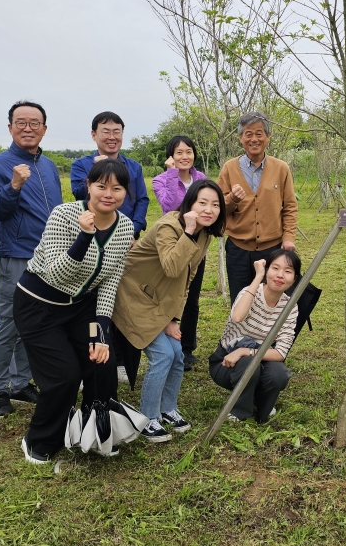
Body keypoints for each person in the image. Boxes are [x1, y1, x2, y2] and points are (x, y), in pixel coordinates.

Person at [13, 159, 135, 464]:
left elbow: (110, 282)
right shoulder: (65, 215)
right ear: (88, 187)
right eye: (101, 186)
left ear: (126, 193)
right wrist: (84, 237)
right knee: (64, 375)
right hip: (38, 306)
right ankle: (39, 439)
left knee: (101, 363)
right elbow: (56, 274)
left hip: (81, 308)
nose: (109, 193)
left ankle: (94, 430)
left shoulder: (125, 227)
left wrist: (101, 334)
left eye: (117, 188)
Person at [112, 179, 225, 443]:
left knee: (177, 353)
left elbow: (186, 278)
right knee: (163, 355)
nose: (209, 209)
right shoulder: (169, 226)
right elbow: (173, 267)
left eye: (216, 205)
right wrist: (188, 232)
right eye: (203, 203)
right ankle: (148, 418)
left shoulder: (205, 234)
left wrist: (173, 318)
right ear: (190, 204)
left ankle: (167, 409)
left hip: (159, 299)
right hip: (132, 294)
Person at [0, 101, 63, 417]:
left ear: (44, 128)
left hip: (48, 256)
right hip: (15, 253)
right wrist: (14, 185)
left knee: (36, 321)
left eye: (34, 123)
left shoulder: (49, 165)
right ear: (10, 127)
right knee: (8, 321)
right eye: (20, 122)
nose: (27, 128)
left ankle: (20, 383)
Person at [209, 250, 300, 422]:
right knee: (249, 365)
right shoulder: (250, 292)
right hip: (226, 361)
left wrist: (245, 351)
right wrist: (258, 277)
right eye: (275, 268)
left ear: (294, 279)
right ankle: (239, 411)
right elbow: (238, 317)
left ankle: (262, 406)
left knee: (279, 374)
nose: (280, 275)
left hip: (256, 358)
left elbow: (280, 353)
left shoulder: (290, 308)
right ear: (267, 271)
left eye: (288, 271)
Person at [217, 112, 299, 302]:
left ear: (268, 137)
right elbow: (218, 208)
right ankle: (241, 333)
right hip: (238, 249)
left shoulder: (281, 168)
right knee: (240, 300)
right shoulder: (229, 168)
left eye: (259, 133)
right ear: (240, 138)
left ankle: (271, 333)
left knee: (272, 301)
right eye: (248, 134)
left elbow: (290, 207)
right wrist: (231, 199)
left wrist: (288, 237)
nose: (254, 139)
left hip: (272, 249)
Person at [152, 135, 208, 369]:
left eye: (188, 152)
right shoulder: (160, 180)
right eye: (179, 152)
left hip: (197, 245)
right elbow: (171, 206)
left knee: (191, 298)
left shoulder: (201, 178)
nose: (184, 157)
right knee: (172, 294)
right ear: (171, 156)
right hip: (173, 245)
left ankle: (187, 348)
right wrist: (173, 174)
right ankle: (170, 343)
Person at [70, 111, 149, 239]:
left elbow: (142, 200)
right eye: (106, 132)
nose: (112, 137)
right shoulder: (80, 165)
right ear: (94, 135)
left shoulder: (134, 167)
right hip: (92, 233)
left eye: (117, 132)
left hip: (126, 235)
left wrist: (133, 231)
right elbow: (79, 195)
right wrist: (96, 169)